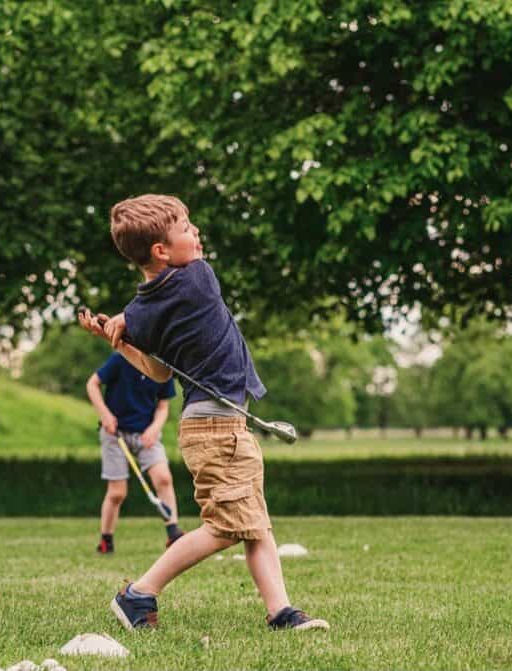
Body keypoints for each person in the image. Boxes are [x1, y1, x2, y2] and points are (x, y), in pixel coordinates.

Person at [78, 194, 328, 632]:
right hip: (216, 428)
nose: (196, 234)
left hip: (216, 425)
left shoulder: (142, 311)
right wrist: (124, 326)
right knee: (226, 526)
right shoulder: (198, 277)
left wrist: (122, 334)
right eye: (186, 228)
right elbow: (159, 335)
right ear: (161, 250)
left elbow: (158, 370)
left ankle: (281, 612)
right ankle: (139, 594)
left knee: (254, 522)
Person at [87, 352, 183, 553]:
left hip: (146, 434)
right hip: (115, 433)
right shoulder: (120, 359)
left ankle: (173, 533)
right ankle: (106, 541)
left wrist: (154, 428)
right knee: (117, 493)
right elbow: (92, 384)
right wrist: (105, 415)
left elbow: (163, 406)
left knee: (164, 478)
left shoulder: (162, 366)